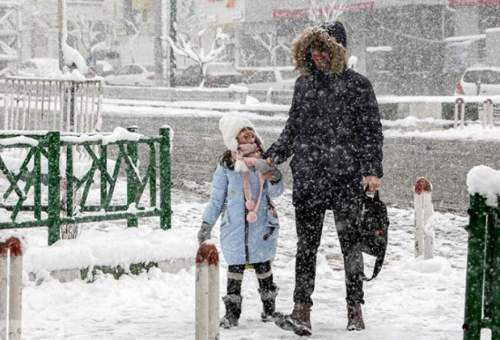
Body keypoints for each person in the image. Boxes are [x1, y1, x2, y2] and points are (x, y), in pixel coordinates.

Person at [264, 21, 384, 336]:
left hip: (346, 178)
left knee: (351, 246)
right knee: (306, 246)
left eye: (323, 49)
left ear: (337, 52)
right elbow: (292, 129)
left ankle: (354, 309)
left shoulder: (358, 85)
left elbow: (372, 132)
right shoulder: (303, 85)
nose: (317, 55)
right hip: (309, 177)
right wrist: (272, 156)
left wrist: (372, 170)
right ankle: (301, 309)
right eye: (312, 49)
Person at [198, 116, 284, 329]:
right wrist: (206, 223)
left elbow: (277, 191)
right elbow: (217, 199)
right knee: (234, 269)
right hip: (235, 227)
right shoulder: (227, 165)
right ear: (232, 138)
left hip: (261, 224)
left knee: (263, 265)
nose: (248, 133)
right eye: (242, 131)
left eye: (250, 129)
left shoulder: (264, 160)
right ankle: (232, 313)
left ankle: (269, 309)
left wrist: (271, 173)